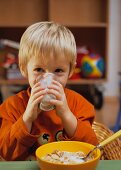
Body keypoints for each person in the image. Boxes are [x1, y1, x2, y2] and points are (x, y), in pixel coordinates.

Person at [0, 21, 98, 161]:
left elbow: (92, 149)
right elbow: (6, 154)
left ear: (70, 70)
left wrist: (66, 114)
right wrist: (27, 118)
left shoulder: (78, 104)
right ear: (23, 68)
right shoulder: (12, 107)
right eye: (39, 69)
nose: (48, 79)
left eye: (58, 70)